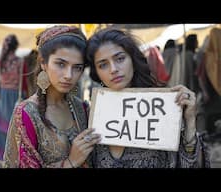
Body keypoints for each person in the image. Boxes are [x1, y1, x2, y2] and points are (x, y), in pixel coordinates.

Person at [86, 27, 210, 168]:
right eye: (103, 65)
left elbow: (192, 163)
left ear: (133, 59)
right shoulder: (93, 116)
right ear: (96, 73)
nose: (113, 69)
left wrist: (190, 122)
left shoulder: (165, 107)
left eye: (120, 58)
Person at [3, 25, 101, 168]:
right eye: (61, 64)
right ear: (43, 62)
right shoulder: (27, 113)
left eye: (77, 67)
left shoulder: (83, 109)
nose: (69, 75)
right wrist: (70, 162)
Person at [0, 34, 28, 161]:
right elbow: (24, 84)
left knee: (0, 126)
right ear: (16, 46)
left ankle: (0, 155)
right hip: (16, 97)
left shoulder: (0, 61)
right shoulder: (21, 62)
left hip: (1, 96)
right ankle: (13, 157)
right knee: (15, 128)